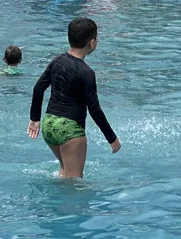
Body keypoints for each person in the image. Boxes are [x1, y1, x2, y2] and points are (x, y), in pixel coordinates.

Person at [28, 18, 120, 179]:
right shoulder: (86, 72)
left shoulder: (57, 61)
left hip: (49, 124)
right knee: (74, 183)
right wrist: (112, 139)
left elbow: (38, 88)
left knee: (64, 173)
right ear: (92, 42)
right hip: (69, 129)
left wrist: (34, 118)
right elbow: (94, 109)